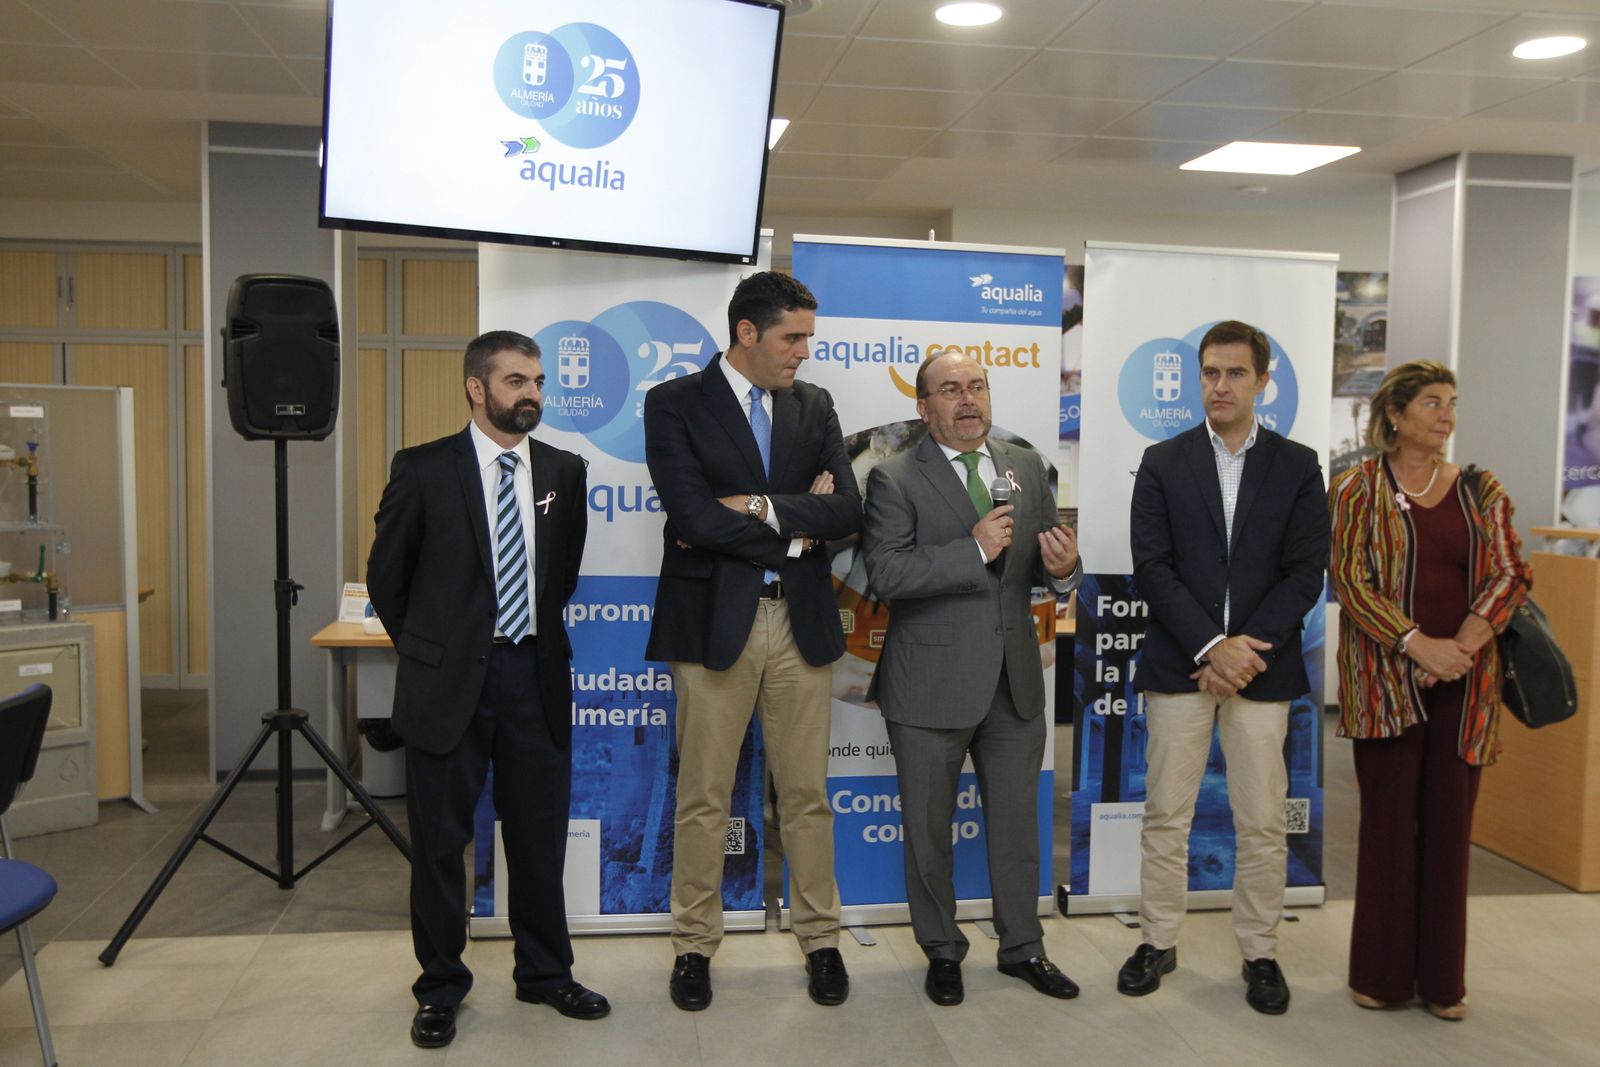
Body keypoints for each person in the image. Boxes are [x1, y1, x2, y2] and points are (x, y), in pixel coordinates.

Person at [367, 330, 605, 1048]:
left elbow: (558, 578)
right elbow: (387, 579)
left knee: (538, 837)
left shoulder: (565, 469)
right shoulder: (423, 469)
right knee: (441, 844)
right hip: (447, 686)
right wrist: (436, 650)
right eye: (515, 381)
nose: (531, 393)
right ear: (477, 388)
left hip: (533, 675)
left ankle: (544, 972)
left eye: (536, 381)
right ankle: (440, 986)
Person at [644, 271, 862, 1011]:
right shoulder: (674, 403)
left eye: (807, 338)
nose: (803, 352)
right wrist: (797, 533)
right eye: (792, 337)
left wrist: (763, 506)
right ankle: (694, 946)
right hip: (713, 625)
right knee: (704, 795)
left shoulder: (815, 405)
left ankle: (821, 939)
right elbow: (692, 519)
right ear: (747, 332)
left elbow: (848, 514)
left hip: (798, 624)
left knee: (806, 794)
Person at [860, 350, 1083, 1007]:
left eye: (977, 387)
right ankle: (942, 950)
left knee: (1018, 827)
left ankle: (1023, 948)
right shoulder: (894, 479)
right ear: (924, 407)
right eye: (950, 389)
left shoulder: (1025, 469)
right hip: (928, 685)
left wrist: (1066, 569)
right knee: (928, 835)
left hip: (1014, 682)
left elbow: (1045, 573)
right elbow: (887, 575)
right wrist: (975, 548)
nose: (968, 400)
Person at [1119, 320, 1329, 1015]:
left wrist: (1243, 650)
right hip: (1181, 663)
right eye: (1210, 372)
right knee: (1166, 814)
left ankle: (1259, 952)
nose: (1220, 385)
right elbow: (1152, 567)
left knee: (1263, 818)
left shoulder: (1298, 466)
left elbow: (1305, 573)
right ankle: (1157, 939)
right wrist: (1213, 646)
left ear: (1262, 381)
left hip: (1262, 670)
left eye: (1235, 373)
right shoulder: (1163, 459)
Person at [1329, 360, 1530, 1022]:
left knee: (1450, 830)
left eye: (1452, 403)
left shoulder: (1480, 488)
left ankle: (1444, 982)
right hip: (1386, 684)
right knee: (1387, 831)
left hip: (1465, 687)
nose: (1446, 415)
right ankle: (1379, 976)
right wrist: (1417, 644)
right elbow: (1353, 582)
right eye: (1432, 403)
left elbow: (1510, 572)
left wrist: (1461, 649)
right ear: (1395, 414)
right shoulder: (1359, 487)